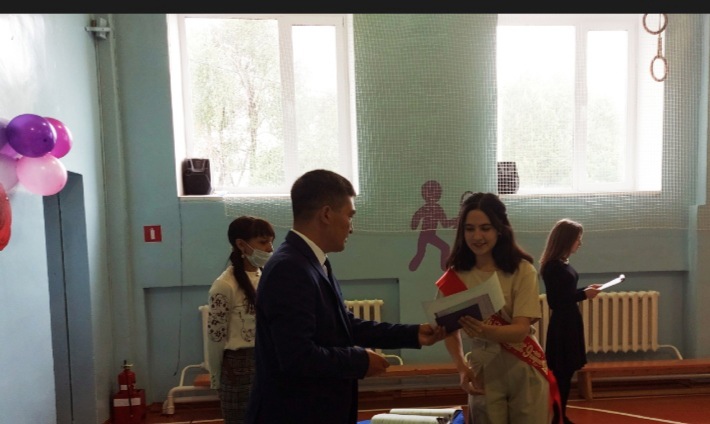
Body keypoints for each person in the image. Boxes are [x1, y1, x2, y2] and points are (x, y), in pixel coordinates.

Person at [245, 169, 447, 424]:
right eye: (350, 216)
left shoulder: (312, 262)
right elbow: (297, 357)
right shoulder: (289, 268)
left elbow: (344, 325)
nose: (352, 227)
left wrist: (413, 334)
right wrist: (359, 361)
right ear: (326, 214)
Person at [436, 192, 559, 424]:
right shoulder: (455, 275)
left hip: (523, 366)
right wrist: (461, 367)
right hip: (483, 370)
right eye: (470, 229)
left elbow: (520, 330)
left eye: (485, 228)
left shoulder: (522, 270)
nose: (477, 236)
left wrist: (483, 330)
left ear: (500, 229)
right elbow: (449, 330)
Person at [207, 215, 276, 424]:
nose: (270, 248)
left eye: (271, 241)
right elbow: (215, 337)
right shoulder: (224, 285)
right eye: (263, 242)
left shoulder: (266, 276)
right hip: (238, 368)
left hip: (268, 360)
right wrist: (216, 377)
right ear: (241, 245)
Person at [539, 218, 601, 424]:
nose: (580, 243)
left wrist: (585, 290)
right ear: (566, 240)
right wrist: (583, 295)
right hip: (562, 326)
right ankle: (558, 418)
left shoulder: (562, 263)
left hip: (570, 322)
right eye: (577, 239)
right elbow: (556, 301)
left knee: (566, 374)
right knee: (561, 374)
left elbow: (567, 292)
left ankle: (560, 417)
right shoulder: (552, 267)